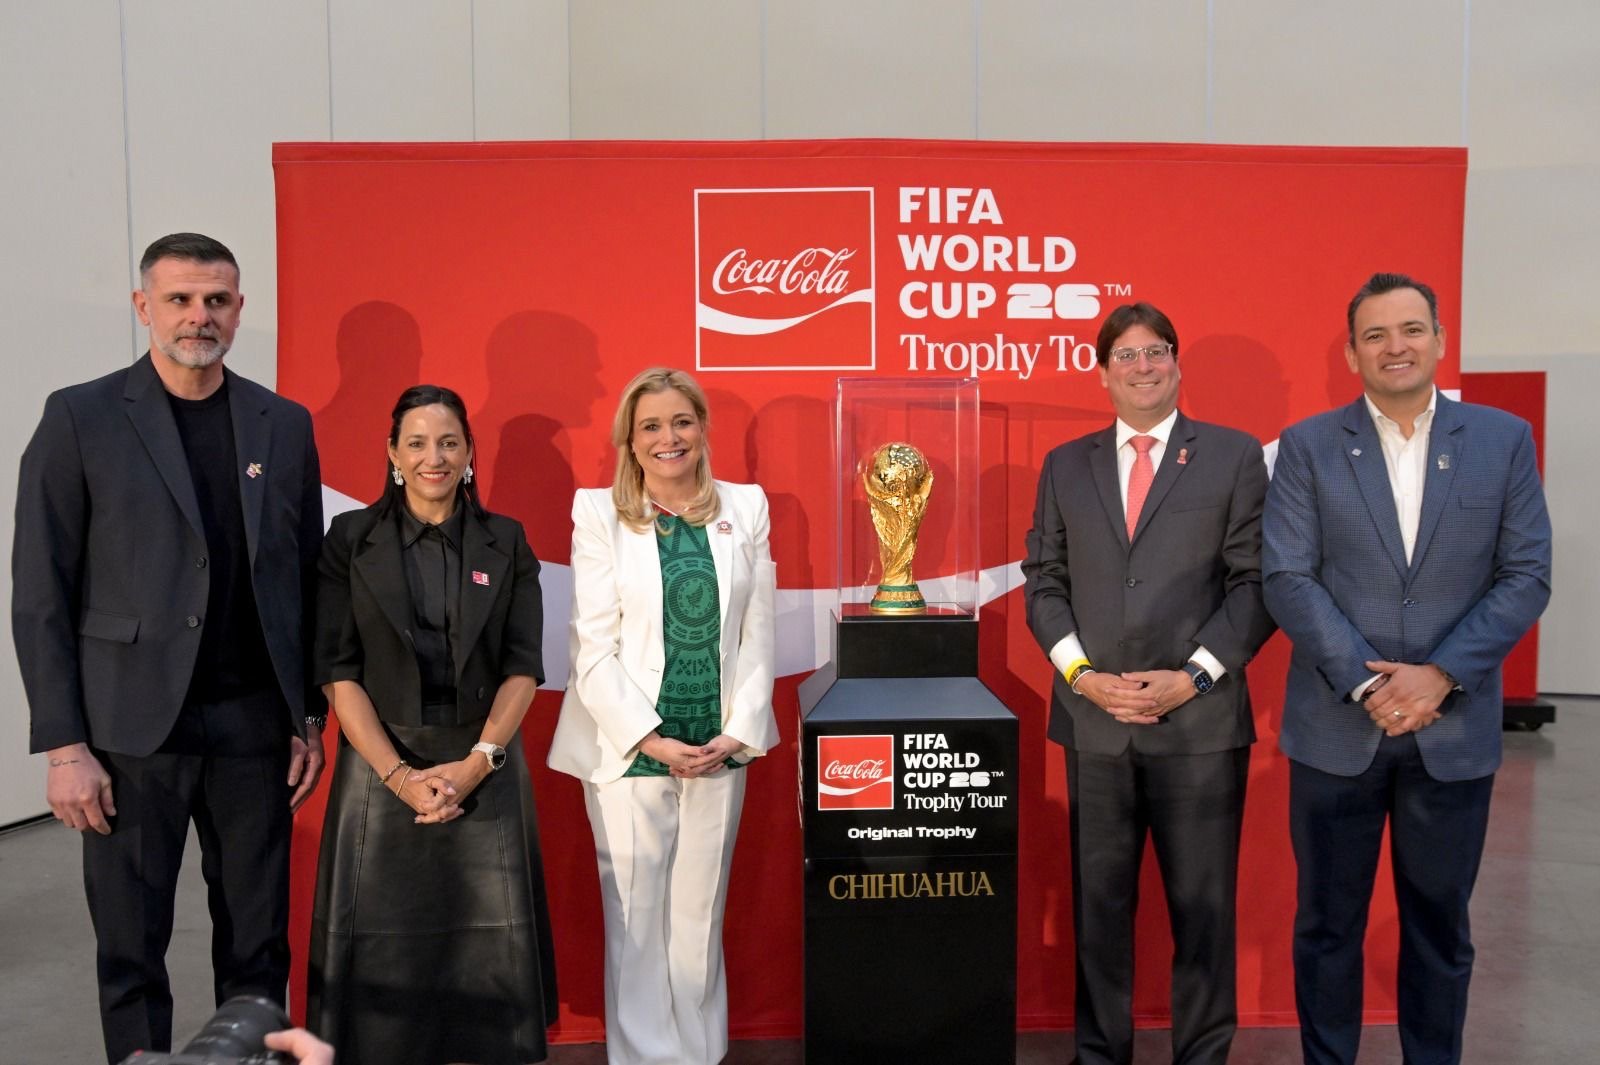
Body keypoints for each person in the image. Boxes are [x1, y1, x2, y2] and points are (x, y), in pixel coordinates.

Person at [11, 233, 324, 1064]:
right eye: (180, 299)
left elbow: (303, 580)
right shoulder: (78, 417)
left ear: (239, 309)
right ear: (143, 306)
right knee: (131, 946)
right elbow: (41, 595)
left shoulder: (284, 424)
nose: (199, 316)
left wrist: (307, 715)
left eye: (216, 300)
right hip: (127, 733)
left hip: (253, 729)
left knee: (259, 945)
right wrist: (65, 746)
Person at [1264, 273, 1551, 1065]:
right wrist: (1371, 684)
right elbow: (1287, 576)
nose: (1396, 346)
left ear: (1440, 340)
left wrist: (1439, 676)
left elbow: (1526, 573)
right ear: (1352, 352)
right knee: (1328, 928)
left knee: (1439, 928)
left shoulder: (1503, 439)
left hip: (1450, 733)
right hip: (1336, 730)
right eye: (1376, 334)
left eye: (1412, 329)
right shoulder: (1308, 445)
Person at [1022, 302, 1277, 1065]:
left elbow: (1256, 583)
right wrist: (1083, 677)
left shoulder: (1232, 456)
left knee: (1204, 911)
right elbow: (1045, 582)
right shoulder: (1066, 464)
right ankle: (1100, 1054)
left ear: (1176, 362)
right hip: (1096, 724)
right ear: (1103, 373)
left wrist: (1193, 675)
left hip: (1200, 725)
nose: (1143, 367)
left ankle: (1202, 1054)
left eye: (1155, 351)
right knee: (1099, 911)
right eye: (1126, 356)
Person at [304, 384, 558, 1064]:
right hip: (378, 768)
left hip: (485, 766)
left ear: (469, 451)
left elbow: (524, 667)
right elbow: (338, 670)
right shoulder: (349, 539)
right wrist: (400, 776)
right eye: (416, 443)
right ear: (392, 453)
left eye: (448, 442)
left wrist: (476, 763)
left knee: (489, 991)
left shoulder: (507, 540)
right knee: (379, 998)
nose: (433, 458)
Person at [548, 367, 779, 1065]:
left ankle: (701, 1054)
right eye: (650, 425)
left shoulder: (746, 505)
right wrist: (651, 739)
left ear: (702, 428)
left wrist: (737, 731)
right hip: (629, 751)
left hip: (719, 748)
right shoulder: (599, 513)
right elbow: (592, 647)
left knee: (699, 917)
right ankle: (646, 1057)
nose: (667, 437)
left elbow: (758, 631)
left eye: (681, 421)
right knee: (639, 922)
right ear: (629, 439)